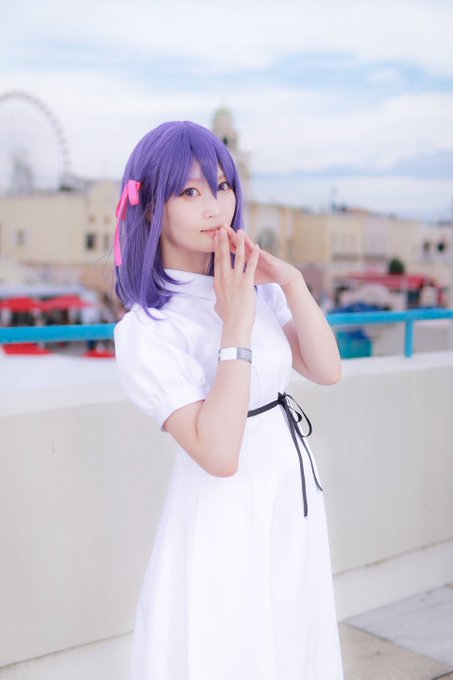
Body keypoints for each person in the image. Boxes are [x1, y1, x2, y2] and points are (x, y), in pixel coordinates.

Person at [114, 121, 344, 680]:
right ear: (152, 208)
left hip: (287, 494)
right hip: (225, 510)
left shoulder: (251, 284)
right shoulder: (149, 328)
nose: (215, 205)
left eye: (221, 186)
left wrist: (289, 281)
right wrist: (235, 324)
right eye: (190, 191)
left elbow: (326, 369)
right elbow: (218, 454)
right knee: (232, 647)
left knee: (293, 635)